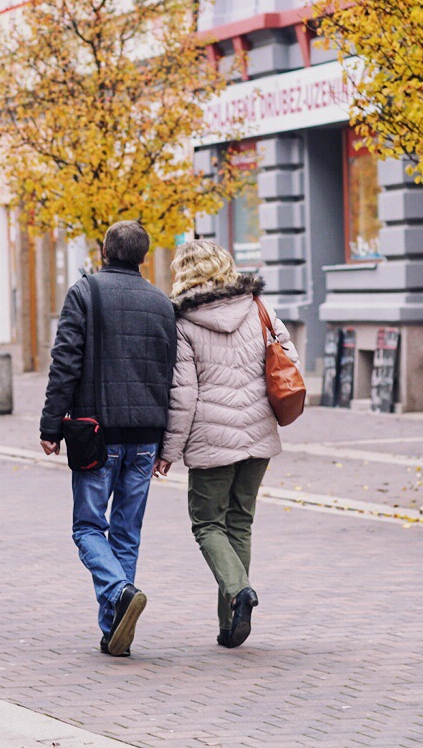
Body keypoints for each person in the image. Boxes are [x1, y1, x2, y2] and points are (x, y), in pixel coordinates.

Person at [39, 221, 176, 659]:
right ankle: (114, 630)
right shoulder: (161, 302)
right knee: (126, 534)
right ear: (143, 255)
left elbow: (65, 362)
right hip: (146, 436)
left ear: (104, 251)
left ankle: (119, 592)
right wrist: (165, 438)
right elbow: (171, 374)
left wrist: (50, 425)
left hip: (96, 433)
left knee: (86, 527)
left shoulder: (85, 292)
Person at [158, 240, 295, 649]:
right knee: (239, 522)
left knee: (206, 524)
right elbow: (291, 362)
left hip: (211, 438)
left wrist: (168, 451)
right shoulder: (259, 308)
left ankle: (239, 592)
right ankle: (228, 624)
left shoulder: (183, 322)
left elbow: (183, 396)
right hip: (258, 431)